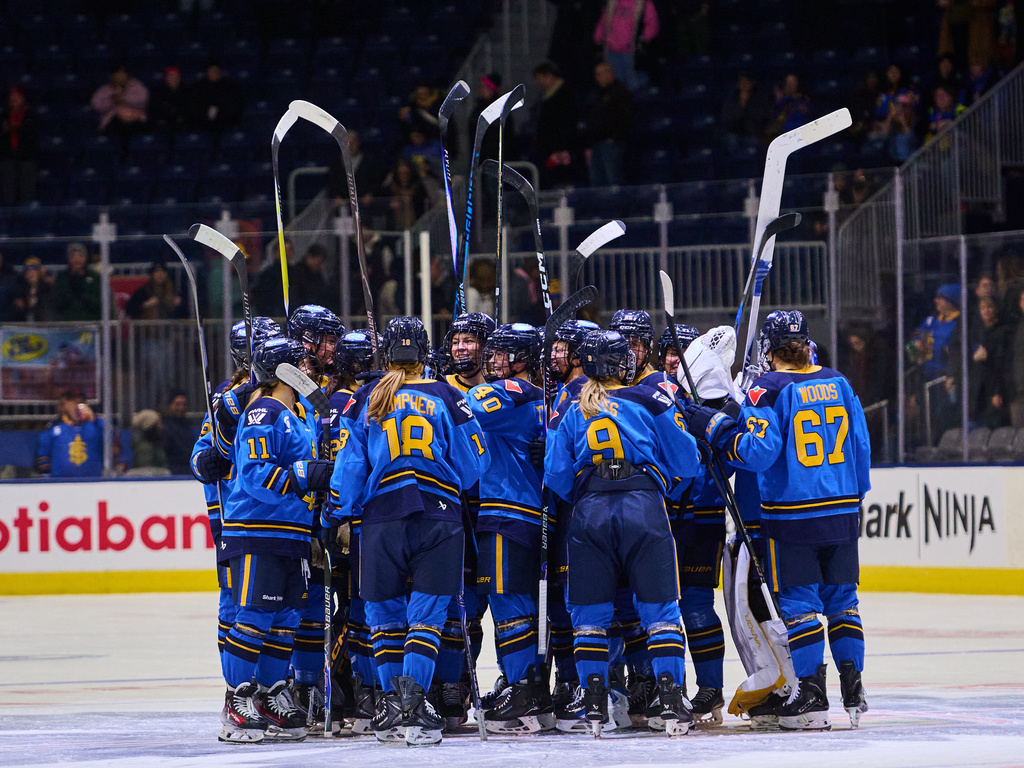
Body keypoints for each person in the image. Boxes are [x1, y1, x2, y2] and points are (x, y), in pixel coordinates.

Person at [683, 310, 871, 731]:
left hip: (793, 516)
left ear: (769, 349)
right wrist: (854, 497)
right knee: (843, 602)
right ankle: (853, 685)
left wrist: (716, 429)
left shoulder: (768, 388)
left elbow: (760, 453)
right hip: (842, 511)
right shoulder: (840, 380)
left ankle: (811, 692)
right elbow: (860, 445)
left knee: (801, 606)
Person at [325, 317, 486, 746]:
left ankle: (390, 707)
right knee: (427, 618)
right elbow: (474, 467)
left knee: (383, 617)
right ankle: (415, 706)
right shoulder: (448, 395)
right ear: (424, 353)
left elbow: (349, 467)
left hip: (382, 518)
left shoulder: (365, 398)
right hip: (439, 515)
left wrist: (337, 511)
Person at [545, 330, 701, 735]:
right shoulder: (650, 398)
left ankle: (595, 705)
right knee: (661, 612)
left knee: (590, 619)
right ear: (622, 364)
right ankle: (669, 701)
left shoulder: (571, 406)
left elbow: (556, 476)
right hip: (644, 507)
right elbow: (687, 459)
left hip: (589, 512)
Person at [217, 335, 321, 744]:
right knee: (257, 616)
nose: (307, 371)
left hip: (291, 532)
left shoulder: (297, 413)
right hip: (259, 531)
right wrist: (303, 475)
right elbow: (256, 474)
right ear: (283, 370)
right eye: (300, 364)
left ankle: (269, 693)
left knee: (285, 621)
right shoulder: (264, 410)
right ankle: (236, 698)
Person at [465, 324, 551, 733]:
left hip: (506, 514)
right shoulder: (542, 399)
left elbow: (466, 408)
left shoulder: (510, 392)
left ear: (524, 359)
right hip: (534, 515)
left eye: (503, 354)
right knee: (531, 609)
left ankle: (523, 689)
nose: (493, 360)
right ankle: (531, 686)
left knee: (509, 606)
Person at [592, 0, 660, 93]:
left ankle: (645, 79)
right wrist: (598, 36)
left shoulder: (643, 3)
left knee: (632, 84)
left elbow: (652, 21)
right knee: (615, 81)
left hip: (630, 50)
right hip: (611, 48)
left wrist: (647, 36)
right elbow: (604, 20)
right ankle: (619, 100)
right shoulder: (613, 2)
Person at [532, 61, 581, 189]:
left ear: (549, 76)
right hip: (548, 149)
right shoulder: (545, 97)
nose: (539, 83)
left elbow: (567, 123)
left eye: (541, 78)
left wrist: (561, 148)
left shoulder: (564, 95)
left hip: (559, 150)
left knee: (562, 182)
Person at [584, 61, 633, 187]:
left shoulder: (620, 93)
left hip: (611, 144)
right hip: (596, 144)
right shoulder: (596, 94)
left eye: (602, 73)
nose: (599, 77)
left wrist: (614, 137)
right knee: (596, 181)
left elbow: (626, 118)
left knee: (613, 180)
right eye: (597, 74)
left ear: (611, 73)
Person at [35, 390, 104, 478]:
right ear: (64, 406)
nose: (78, 406)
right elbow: (43, 459)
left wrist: (95, 419)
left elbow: (111, 441)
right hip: (61, 484)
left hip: (92, 483)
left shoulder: (94, 426)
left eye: (81, 403)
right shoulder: (53, 428)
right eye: (74, 402)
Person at [325, 129, 383, 217]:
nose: (350, 146)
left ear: (358, 143)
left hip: (364, 207)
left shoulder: (368, 162)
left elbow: (376, 181)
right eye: (348, 143)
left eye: (353, 143)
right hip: (343, 207)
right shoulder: (336, 163)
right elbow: (331, 182)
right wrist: (335, 196)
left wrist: (370, 194)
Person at [90, 62, 148, 145]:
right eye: (118, 73)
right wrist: (111, 101)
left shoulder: (137, 86)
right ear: (113, 75)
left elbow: (142, 98)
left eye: (123, 73)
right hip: (114, 122)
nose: (121, 76)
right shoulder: (105, 89)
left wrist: (123, 99)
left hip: (135, 121)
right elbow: (96, 105)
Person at [1, 85, 39, 205]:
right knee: (8, 193)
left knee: (27, 193)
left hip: (26, 158)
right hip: (7, 158)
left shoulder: (30, 115)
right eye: (12, 96)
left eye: (17, 96)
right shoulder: (4, 114)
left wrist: (15, 127)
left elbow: (31, 134)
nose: (14, 99)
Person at [186, 61, 243, 135]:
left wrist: (218, 110)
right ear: (207, 72)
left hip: (223, 122)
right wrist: (206, 111)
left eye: (216, 71)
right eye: (211, 71)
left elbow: (234, 104)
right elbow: (193, 104)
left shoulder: (229, 86)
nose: (213, 73)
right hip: (203, 122)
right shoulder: (198, 86)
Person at [720, 72, 770, 154]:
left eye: (746, 82)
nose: (744, 85)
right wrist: (742, 103)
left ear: (751, 83)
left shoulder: (759, 97)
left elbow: (760, 117)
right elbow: (728, 117)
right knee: (731, 141)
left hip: (753, 132)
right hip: (735, 132)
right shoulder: (733, 97)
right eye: (741, 83)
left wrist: (746, 104)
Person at [53, 242, 101, 322]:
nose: (77, 260)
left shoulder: (95, 277)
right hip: (67, 324)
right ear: (68, 259)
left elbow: (99, 303)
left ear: (85, 258)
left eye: (80, 256)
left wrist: (82, 293)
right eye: (73, 256)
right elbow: (57, 303)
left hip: (90, 323)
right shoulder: (61, 278)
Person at [289, 244, 338, 311]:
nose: (321, 266)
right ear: (310, 257)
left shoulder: (317, 275)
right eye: (319, 262)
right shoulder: (297, 274)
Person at [162, 389, 196, 475]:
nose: (181, 408)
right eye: (177, 404)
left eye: (183, 404)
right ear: (170, 405)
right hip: (172, 471)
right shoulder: (164, 427)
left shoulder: (187, 426)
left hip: (188, 470)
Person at [150, 65, 188, 139]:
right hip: (163, 123)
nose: (174, 79)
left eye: (176, 76)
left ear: (179, 78)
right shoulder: (158, 90)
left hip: (180, 122)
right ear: (166, 78)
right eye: (171, 76)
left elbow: (188, 108)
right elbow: (154, 109)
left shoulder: (186, 90)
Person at [129, 409, 169, 475]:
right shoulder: (144, 449)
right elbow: (147, 473)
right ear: (150, 427)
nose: (161, 427)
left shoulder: (156, 446)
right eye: (157, 424)